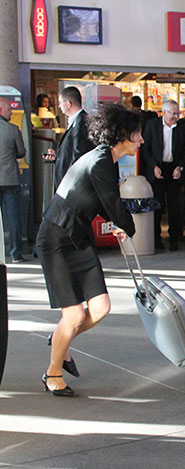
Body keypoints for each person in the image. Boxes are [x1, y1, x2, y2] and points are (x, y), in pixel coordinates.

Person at [36, 103, 139, 397]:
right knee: (74, 317)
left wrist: (118, 223)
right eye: (137, 134)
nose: (141, 140)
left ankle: (60, 339)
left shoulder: (107, 159)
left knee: (101, 308)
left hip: (76, 237)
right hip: (57, 238)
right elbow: (111, 201)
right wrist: (128, 227)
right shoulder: (101, 161)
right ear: (122, 134)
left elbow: (100, 202)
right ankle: (52, 372)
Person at [141, 99, 185, 250]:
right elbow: (145, 148)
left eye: (177, 113)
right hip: (157, 168)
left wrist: (180, 167)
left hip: (173, 169)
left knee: (175, 206)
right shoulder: (152, 125)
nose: (175, 116)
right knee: (157, 205)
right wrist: (153, 166)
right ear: (164, 112)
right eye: (172, 113)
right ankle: (157, 239)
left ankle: (174, 238)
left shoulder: (182, 128)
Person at [42, 87, 95, 190]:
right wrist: (58, 157)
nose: (59, 106)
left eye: (61, 102)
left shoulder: (82, 123)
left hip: (72, 185)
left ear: (68, 103)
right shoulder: (76, 121)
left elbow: (79, 154)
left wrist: (70, 182)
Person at [0, 98, 27, 263]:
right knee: (13, 217)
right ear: (1, 110)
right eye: (9, 109)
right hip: (10, 180)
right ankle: (16, 254)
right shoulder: (13, 129)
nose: (11, 112)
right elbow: (21, 152)